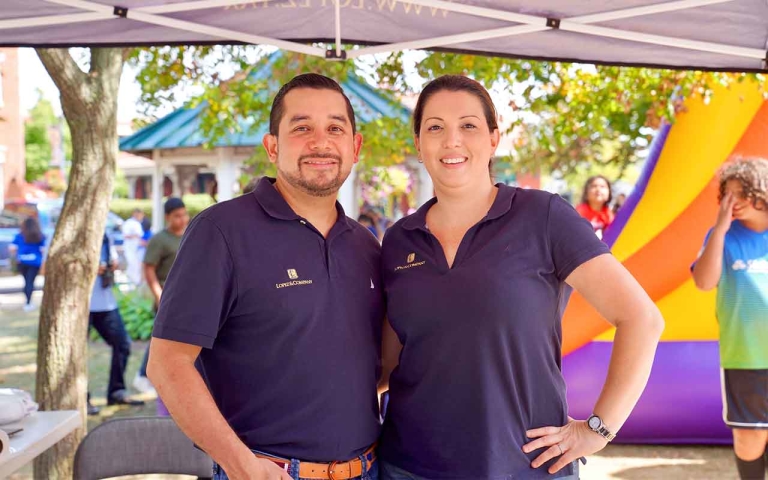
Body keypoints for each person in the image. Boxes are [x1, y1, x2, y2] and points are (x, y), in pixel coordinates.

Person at [377, 75, 664, 480]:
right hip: (409, 467)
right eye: (435, 127)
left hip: (524, 466)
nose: (451, 140)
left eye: (468, 125)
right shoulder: (398, 240)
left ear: (494, 138)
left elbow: (641, 319)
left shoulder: (543, 216)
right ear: (418, 144)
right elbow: (389, 363)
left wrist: (598, 430)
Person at [147, 74, 384, 480]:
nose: (321, 142)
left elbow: (368, 367)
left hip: (369, 468)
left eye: (335, 129)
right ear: (272, 147)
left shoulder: (365, 244)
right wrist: (242, 465)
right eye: (302, 128)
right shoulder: (221, 232)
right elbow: (168, 364)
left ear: (355, 147)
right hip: (270, 472)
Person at [691, 157, 768, 480]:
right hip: (745, 357)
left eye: (742, 192)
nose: (733, 201)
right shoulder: (721, 236)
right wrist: (720, 231)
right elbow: (704, 282)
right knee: (750, 437)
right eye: (728, 194)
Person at [132, 197, 189, 397]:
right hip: (168, 297)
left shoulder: (189, 235)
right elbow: (148, 269)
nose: (182, 219)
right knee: (162, 338)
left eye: (184, 215)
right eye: (177, 216)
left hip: (187, 297)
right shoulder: (160, 240)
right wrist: (159, 295)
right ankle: (143, 375)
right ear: (167, 217)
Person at [87, 232, 145, 416]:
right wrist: (89, 268)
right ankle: (81, 398)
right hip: (80, 305)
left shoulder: (105, 235)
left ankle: (116, 392)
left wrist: (113, 264)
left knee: (123, 344)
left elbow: (115, 260)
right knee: (77, 354)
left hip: (105, 302)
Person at [9, 217, 46, 312]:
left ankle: (27, 302)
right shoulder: (39, 236)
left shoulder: (19, 236)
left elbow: (12, 248)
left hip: (22, 261)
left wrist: (16, 255)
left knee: (26, 282)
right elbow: (43, 249)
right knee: (30, 282)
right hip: (34, 262)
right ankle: (28, 302)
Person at [121, 208, 146, 285]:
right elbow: (125, 235)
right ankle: (131, 283)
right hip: (130, 249)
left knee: (136, 266)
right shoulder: (129, 223)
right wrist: (135, 236)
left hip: (137, 249)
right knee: (132, 265)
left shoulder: (137, 224)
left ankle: (135, 283)